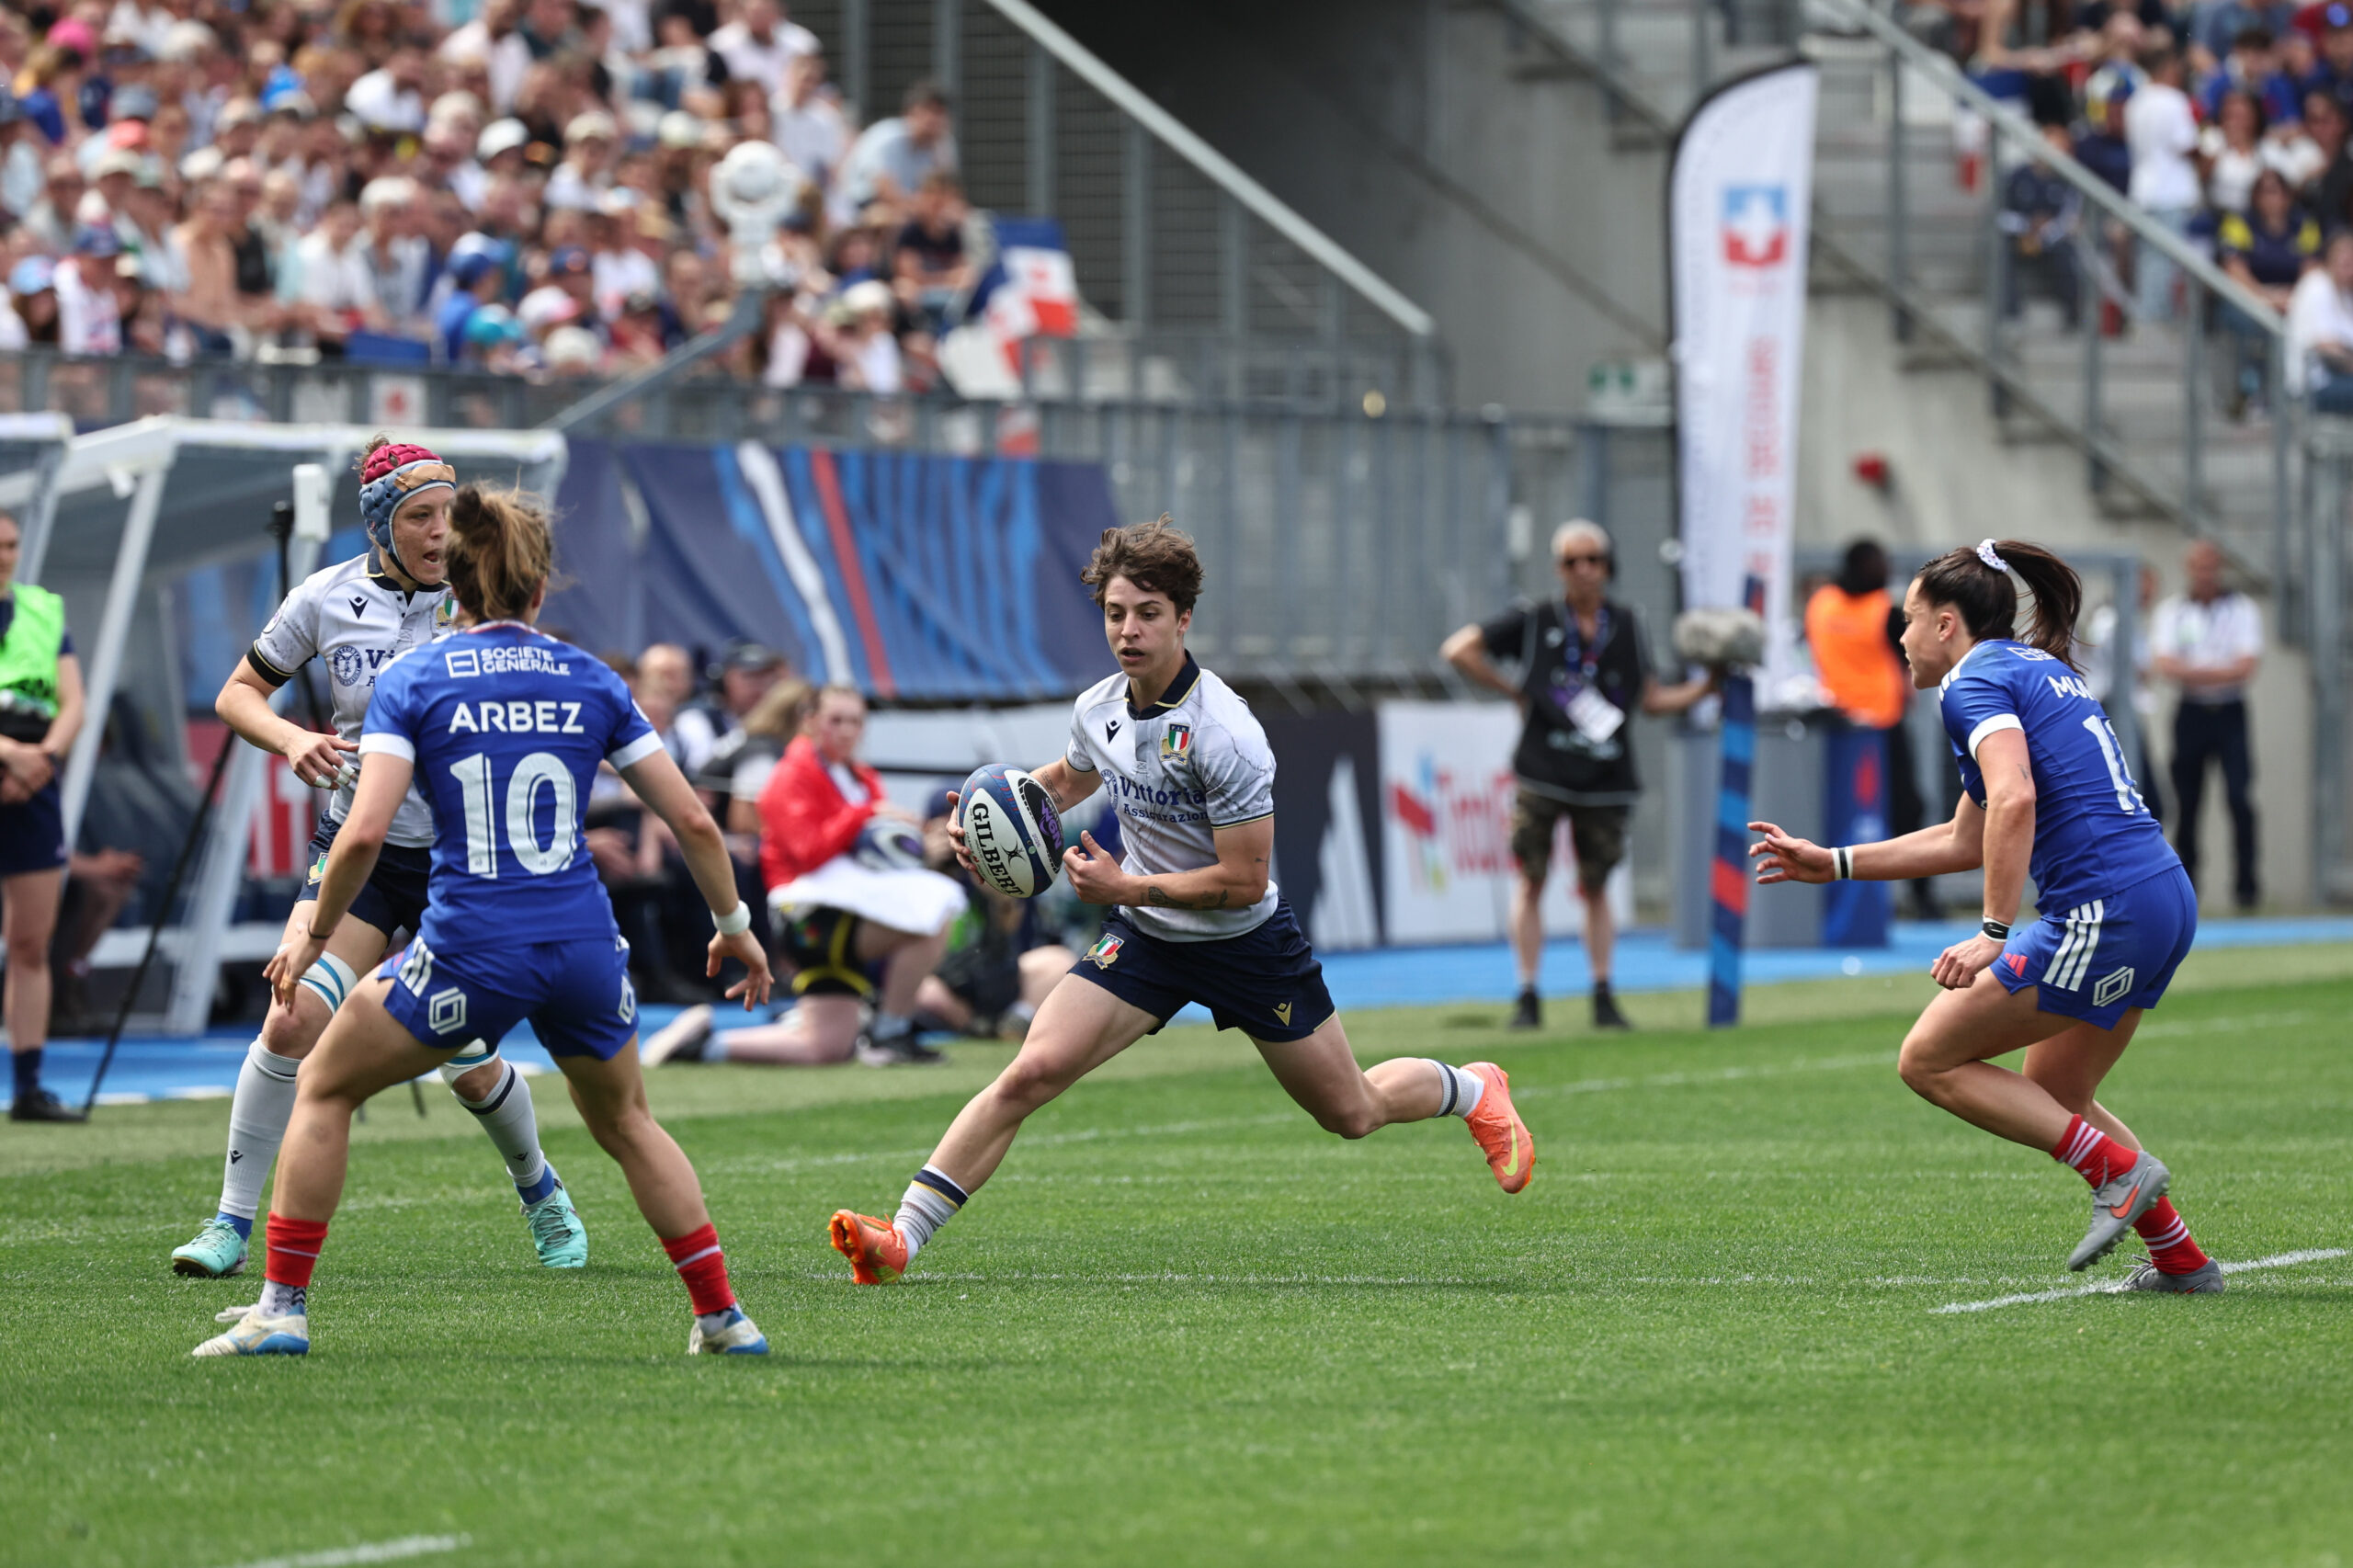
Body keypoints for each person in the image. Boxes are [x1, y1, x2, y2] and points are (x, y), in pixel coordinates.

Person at [825, 518, 1538, 1286]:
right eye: (1115, 612)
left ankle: (1473, 1089)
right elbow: (1063, 783)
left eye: (1148, 614)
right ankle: (899, 1238)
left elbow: (1241, 881)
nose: (1128, 631)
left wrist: (1122, 886)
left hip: (1245, 941)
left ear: (1184, 618)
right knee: (1032, 1071)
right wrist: (981, 828)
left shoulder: (1225, 735)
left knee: (1351, 1112)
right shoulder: (1098, 706)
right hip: (1148, 939)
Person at [196, 482, 776, 1358]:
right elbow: (694, 820)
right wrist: (733, 923)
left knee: (327, 1084)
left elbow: (360, 837)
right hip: (583, 941)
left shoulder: (417, 677)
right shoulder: (592, 677)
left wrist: (310, 936)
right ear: (541, 588)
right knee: (628, 1124)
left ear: (454, 591)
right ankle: (723, 1317)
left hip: (472, 944)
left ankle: (279, 1309)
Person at [1749, 539, 2220, 1293]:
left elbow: (2016, 800)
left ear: (1945, 625)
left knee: (1926, 1059)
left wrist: (1992, 934)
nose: (1898, 635)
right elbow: (1966, 838)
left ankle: (2117, 1171)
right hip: (2161, 895)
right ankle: (2180, 1259)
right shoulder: (2032, 669)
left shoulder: (1973, 684)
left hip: (2107, 908)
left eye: (1907, 619)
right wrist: (1834, 861)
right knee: (2055, 1096)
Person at [170, 439, 574, 1280]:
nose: (437, 533)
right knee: (289, 1017)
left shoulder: (483, 600)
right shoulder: (325, 596)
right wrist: (290, 738)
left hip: (463, 861)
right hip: (362, 852)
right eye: (417, 516)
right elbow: (237, 693)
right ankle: (228, 1226)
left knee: (462, 1056)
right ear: (379, 523)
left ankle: (541, 1191)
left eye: (446, 515)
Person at [1438, 519, 1713, 1031]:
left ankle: (1603, 993)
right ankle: (1527, 995)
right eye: (1571, 561)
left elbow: (1650, 699)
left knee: (1597, 886)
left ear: (1609, 566)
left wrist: (1708, 688)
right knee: (1532, 880)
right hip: (1542, 772)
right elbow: (1458, 649)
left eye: (1593, 560)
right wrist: (1514, 690)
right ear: (1557, 569)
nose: (1584, 570)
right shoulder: (1536, 617)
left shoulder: (1629, 623)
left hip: (1605, 776)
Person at [642, 685, 964, 1067]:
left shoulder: (861, 777)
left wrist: (921, 846)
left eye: (855, 721)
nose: (846, 731)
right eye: (836, 720)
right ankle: (891, 1031)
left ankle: (702, 1045)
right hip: (805, 913)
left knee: (826, 1048)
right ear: (810, 722)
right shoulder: (790, 773)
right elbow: (807, 851)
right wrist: (868, 814)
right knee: (933, 913)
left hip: (846, 906)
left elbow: (874, 851)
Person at [0, 512, 88, 1122]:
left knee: (31, 940)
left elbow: (73, 701)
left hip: (34, 777)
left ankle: (29, 1085)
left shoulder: (43, 609)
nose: (5, 555)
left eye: (10, 544)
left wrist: (41, 759)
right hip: (15, 758)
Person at [1806, 540, 1939, 920]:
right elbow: (1917, 656)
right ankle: (1921, 897)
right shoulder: (1883, 611)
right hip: (1881, 727)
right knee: (1907, 812)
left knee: (1847, 816)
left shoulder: (1820, 605)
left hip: (1836, 725)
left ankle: (1849, 898)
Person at [2153, 539, 2265, 909]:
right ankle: (2189, 890)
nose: (2205, 575)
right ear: (2189, 570)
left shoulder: (2242, 610)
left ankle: (2246, 889)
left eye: (2210, 567)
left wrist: (2196, 672)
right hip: (2191, 714)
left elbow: (2246, 667)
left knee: (2239, 797)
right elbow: (2166, 666)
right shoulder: (2174, 612)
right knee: (2188, 802)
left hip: (2230, 714)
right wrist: (2221, 671)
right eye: (2198, 567)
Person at [2125, 45, 2201, 323]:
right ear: (2167, 67)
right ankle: (2151, 322)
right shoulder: (2173, 99)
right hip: (2170, 191)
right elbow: (2187, 145)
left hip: (2142, 188)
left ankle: (2148, 319)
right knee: (2162, 262)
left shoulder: (2136, 100)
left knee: (2148, 259)